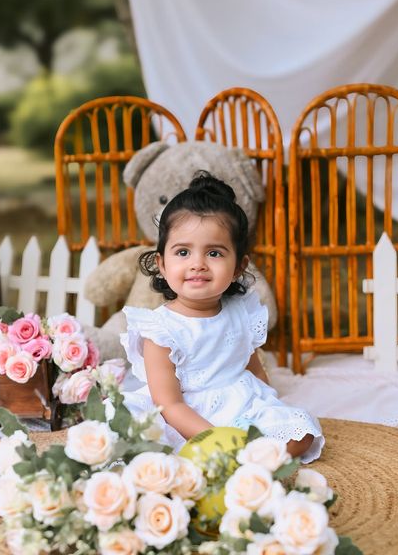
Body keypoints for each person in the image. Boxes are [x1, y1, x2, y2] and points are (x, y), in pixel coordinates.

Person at [120, 172, 324, 462]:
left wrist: (270, 409)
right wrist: (216, 438)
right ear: (162, 264)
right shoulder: (160, 329)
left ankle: (251, 456)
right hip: (183, 416)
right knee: (137, 438)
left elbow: (254, 370)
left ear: (239, 267)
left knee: (301, 432)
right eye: (183, 252)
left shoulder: (240, 311)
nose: (198, 264)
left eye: (214, 253)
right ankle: (228, 456)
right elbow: (168, 403)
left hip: (238, 404)